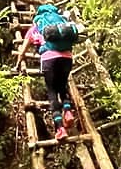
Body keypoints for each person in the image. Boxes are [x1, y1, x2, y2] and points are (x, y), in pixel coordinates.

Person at [15, 8, 76, 142]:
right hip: (67, 58)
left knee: (52, 91)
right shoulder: (61, 21)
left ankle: (60, 128)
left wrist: (18, 63)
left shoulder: (35, 27)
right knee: (62, 86)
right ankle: (67, 111)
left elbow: (23, 50)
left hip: (49, 59)